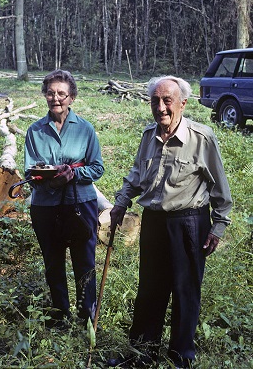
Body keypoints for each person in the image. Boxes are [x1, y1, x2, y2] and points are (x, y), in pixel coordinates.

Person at [108, 76, 232, 368]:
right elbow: (136, 175)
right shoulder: (148, 135)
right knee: (149, 289)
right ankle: (142, 355)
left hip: (188, 223)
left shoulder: (202, 138)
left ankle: (181, 359)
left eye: (167, 101)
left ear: (182, 103)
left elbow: (221, 190)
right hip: (153, 223)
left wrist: (218, 225)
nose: (161, 107)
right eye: (155, 101)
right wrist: (120, 202)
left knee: (185, 291)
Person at [24, 69, 104, 328]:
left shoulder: (85, 129)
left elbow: (97, 168)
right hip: (45, 206)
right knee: (53, 263)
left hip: (80, 204)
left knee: (85, 263)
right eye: (50, 93)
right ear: (44, 96)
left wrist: (73, 174)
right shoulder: (35, 131)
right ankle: (59, 316)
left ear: (72, 97)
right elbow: (30, 171)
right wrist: (47, 178)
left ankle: (87, 317)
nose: (55, 98)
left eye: (61, 93)